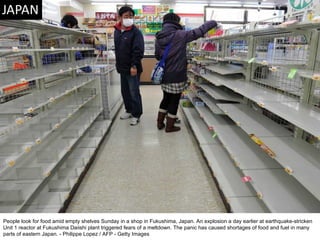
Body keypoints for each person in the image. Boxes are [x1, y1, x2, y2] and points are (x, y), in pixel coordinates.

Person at [155, 13, 218, 132]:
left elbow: (157, 56)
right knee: (174, 101)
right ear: (176, 22)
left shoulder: (158, 36)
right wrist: (212, 23)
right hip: (177, 74)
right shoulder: (180, 34)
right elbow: (198, 32)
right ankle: (169, 126)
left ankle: (159, 123)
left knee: (166, 98)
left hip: (165, 75)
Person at [114, 6, 144, 126]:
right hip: (122, 68)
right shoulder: (117, 31)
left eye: (131, 16)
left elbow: (138, 50)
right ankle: (129, 110)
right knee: (125, 91)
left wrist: (134, 66)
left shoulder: (135, 32)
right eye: (126, 16)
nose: (129, 19)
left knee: (134, 91)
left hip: (133, 68)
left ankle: (136, 114)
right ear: (120, 17)